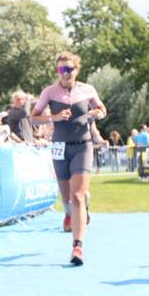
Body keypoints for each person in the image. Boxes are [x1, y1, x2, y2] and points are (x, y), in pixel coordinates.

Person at [32, 51, 106, 266]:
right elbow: (33, 118)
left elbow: (101, 109)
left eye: (68, 69)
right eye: (60, 69)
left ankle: (77, 247)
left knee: (78, 197)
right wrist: (53, 117)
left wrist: (98, 114)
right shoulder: (49, 92)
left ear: (76, 70)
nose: (64, 73)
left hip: (82, 146)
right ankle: (70, 212)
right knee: (67, 200)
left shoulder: (87, 89)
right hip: (58, 147)